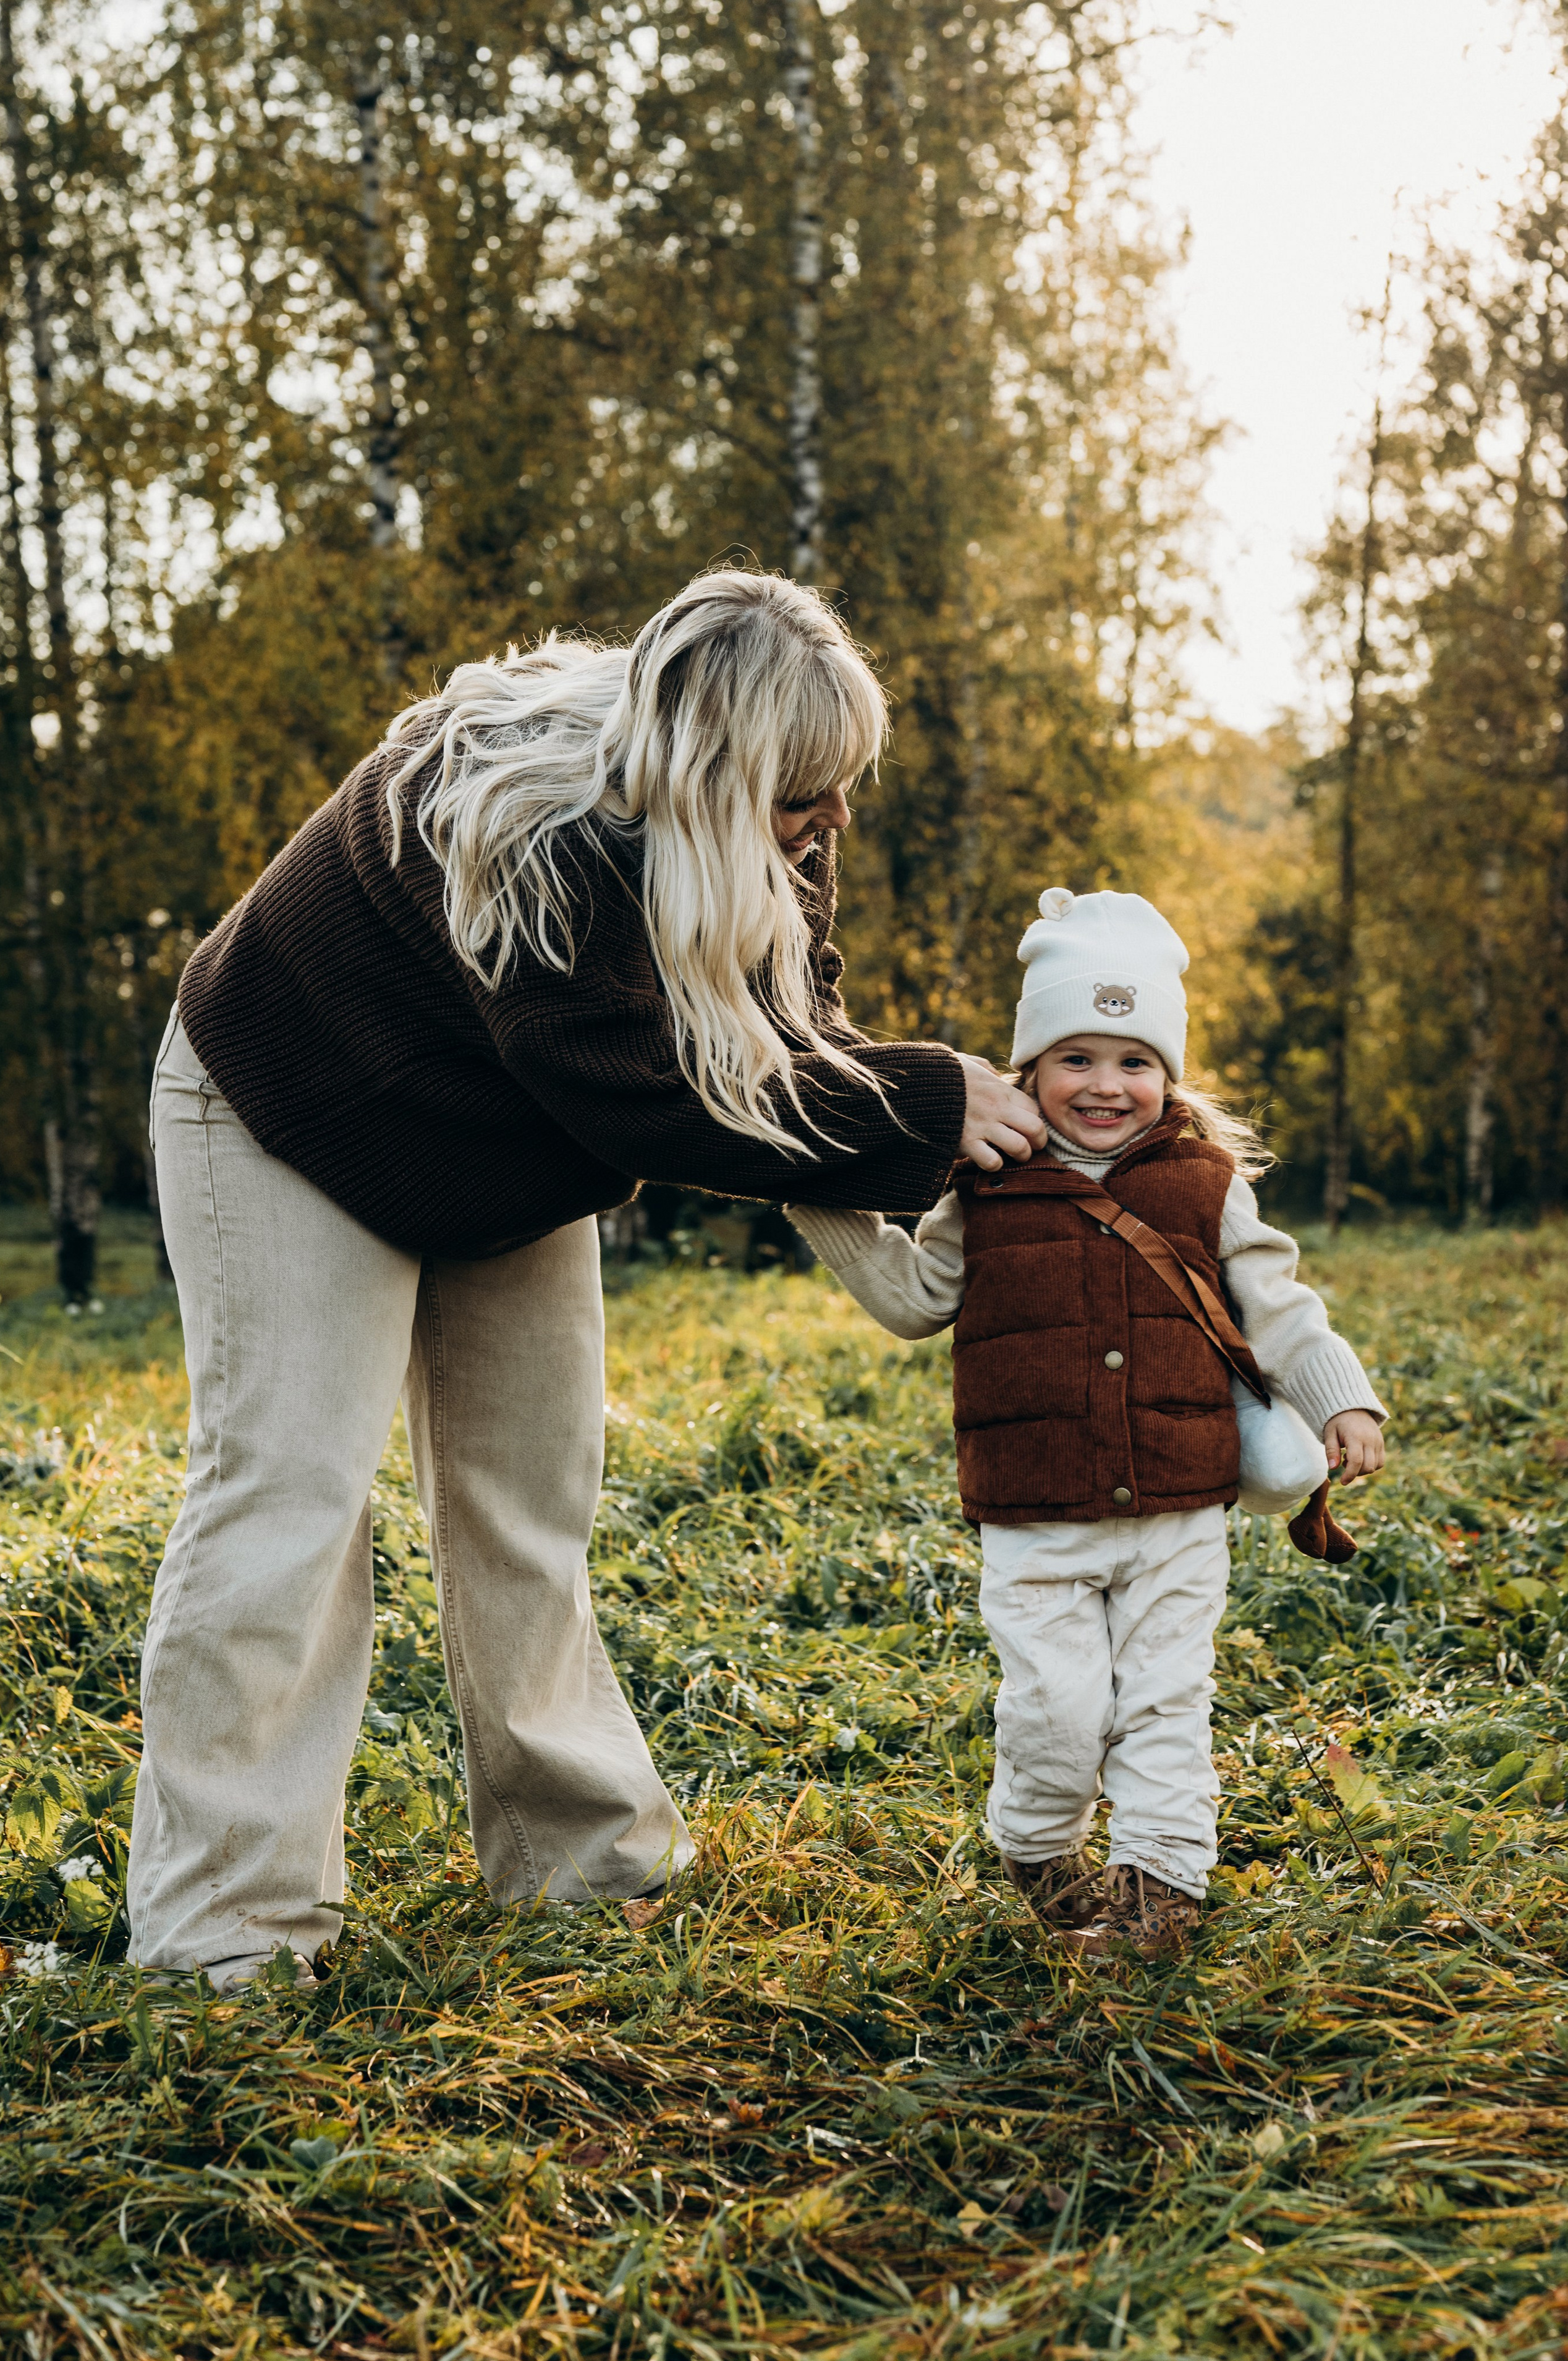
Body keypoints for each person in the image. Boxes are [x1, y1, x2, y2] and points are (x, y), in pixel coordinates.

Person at [133, 569, 1046, 1993]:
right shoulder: (533, 831)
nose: (833, 823)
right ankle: (222, 1935)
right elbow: (650, 1097)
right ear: (709, 772)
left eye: (842, 788)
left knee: (528, 1493)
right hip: (290, 1107)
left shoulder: (762, 825)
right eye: (807, 794)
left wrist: (914, 1218)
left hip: (496, 1141)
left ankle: (579, 1862)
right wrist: (927, 1105)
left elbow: (790, 1031)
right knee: (291, 1500)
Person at [789, 887, 1386, 1961]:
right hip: (1035, 1509)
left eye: (1134, 1060)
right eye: (1076, 1057)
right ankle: (1038, 1845)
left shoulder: (1207, 1185)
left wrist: (1340, 1395)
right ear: (1028, 1070)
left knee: (1166, 1702)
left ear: (1169, 1076)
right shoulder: (985, 1183)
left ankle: (1162, 1891)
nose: (1106, 1086)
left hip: (1177, 1503)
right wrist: (818, 1192)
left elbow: (1279, 1306)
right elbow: (915, 1301)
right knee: (1056, 1718)